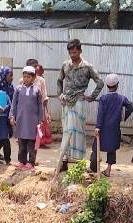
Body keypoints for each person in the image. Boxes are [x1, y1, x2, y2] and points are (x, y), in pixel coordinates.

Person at [56, 39, 104, 171]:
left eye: (75, 52)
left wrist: (91, 97)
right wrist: (59, 95)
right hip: (66, 102)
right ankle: (63, 162)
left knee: (78, 133)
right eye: (70, 52)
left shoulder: (87, 66)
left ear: (80, 51)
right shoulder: (65, 65)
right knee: (66, 131)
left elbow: (100, 82)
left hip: (79, 102)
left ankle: (79, 164)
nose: (73, 55)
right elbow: (59, 81)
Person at [89, 73, 133, 177]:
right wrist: (123, 117)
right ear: (117, 85)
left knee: (96, 147)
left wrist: (98, 127)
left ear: (107, 85)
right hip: (114, 128)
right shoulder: (122, 98)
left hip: (103, 128)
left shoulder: (103, 99)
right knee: (112, 149)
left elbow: (101, 114)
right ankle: (108, 170)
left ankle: (93, 168)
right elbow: (130, 108)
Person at [10, 66, 44, 171]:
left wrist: (40, 120)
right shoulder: (18, 89)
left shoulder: (37, 90)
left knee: (31, 143)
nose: (26, 79)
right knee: (21, 142)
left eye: (29, 77)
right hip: (21, 120)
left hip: (32, 122)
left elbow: (40, 106)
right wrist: (12, 116)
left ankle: (31, 162)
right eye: (24, 77)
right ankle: (21, 161)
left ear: (34, 78)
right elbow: (14, 104)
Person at [0, 66, 15, 163]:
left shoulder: (10, 87)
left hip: (9, 116)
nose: (12, 78)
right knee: (3, 137)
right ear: (3, 76)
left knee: (8, 134)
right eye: (10, 75)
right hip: (0, 117)